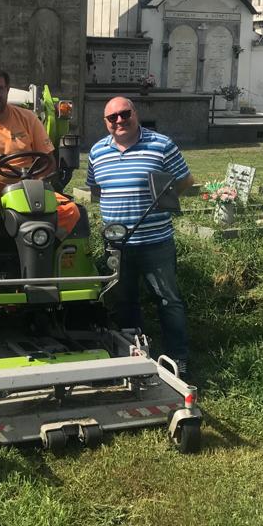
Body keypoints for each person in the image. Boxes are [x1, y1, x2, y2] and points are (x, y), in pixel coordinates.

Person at [86, 97, 196, 376]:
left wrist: (164, 201)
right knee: (125, 302)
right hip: (117, 245)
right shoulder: (97, 151)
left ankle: (178, 358)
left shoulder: (161, 144)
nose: (119, 121)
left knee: (168, 300)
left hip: (155, 241)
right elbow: (96, 190)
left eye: (125, 114)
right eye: (113, 118)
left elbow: (185, 180)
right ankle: (135, 353)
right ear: (106, 122)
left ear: (135, 113)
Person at [0, 63, 79, 262]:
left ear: (7, 90)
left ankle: (43, 249)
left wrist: (38, 182)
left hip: (27, 190)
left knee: (70, 211)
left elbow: (48, 160)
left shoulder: (28, 118)